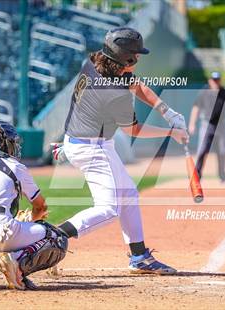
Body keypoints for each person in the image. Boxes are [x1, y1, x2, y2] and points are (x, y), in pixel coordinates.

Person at [54, 27, 188, 274]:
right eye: (135, 56)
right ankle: (47, 237)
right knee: (108, 209)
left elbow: (135, 85)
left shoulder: (94, 63)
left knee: (129, 196)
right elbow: (133, 130)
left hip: (79, 141)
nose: (138, 59)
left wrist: (165, 111)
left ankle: (139, 257)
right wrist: (171, 132)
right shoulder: (114, 94)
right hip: (93, 149)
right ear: (125, 59)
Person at [0, 120, 68, 290]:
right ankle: (17, 263)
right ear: (3, 143)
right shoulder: (14, 165)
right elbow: (40, 207)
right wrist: (28, 221)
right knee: (56, 237)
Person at [188, 71, 225, 183]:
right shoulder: (204, 92)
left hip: (220, 125)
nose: (216, 82)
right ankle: (197, 177)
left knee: (222, 151)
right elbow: (196, 108)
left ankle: (222, 176)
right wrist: (192, 124)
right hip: (206, 124)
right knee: (202, 151)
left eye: (217, 80)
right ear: (210, 81)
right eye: (214, 80)